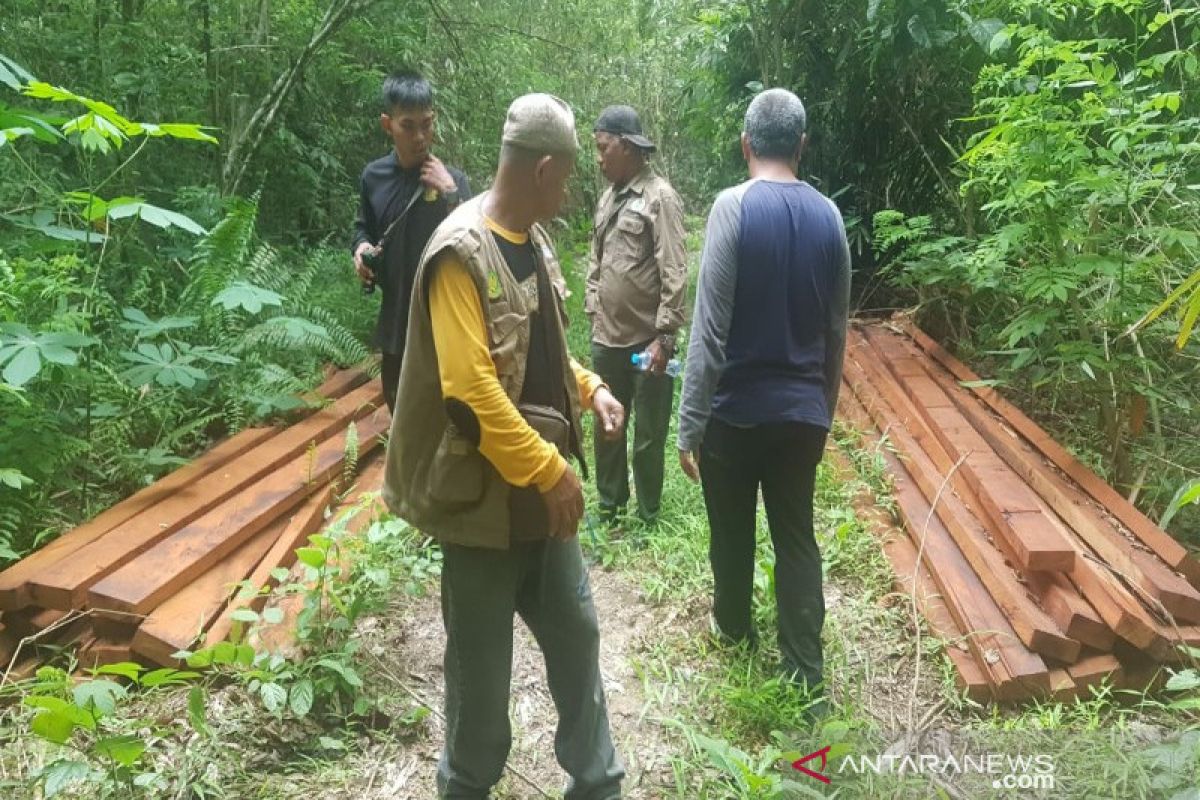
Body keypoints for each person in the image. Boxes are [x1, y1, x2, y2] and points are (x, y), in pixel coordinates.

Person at [382, 93, 627, 800]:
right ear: (544, 170)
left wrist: (589, 388)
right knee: (481, 688)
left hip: (539, 509)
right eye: (570, 175)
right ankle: (465, 788)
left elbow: (536, 347)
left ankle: (598, 783)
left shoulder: (535, 241)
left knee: (577, 637)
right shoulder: (461, 254)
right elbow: (470, 393)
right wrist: (553, 472)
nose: (575, 188)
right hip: (484, 510)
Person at [676, 89, 851, 709]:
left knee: (732, 531)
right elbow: (836, 332)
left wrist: (688, 423)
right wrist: (821, 412)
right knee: (796, 537)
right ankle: (805, 669)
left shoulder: (733, 207)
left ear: (745, 144)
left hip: (735, 415)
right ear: (801, 145)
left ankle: (733, 629)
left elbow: (710, 328)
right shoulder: (831, 217)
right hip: (801, 413)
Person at [585, 105, 687, 526]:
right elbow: (596, 262)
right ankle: (610, 506)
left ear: (625, 146)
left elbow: (675, 271)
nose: (599, 157)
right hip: (608, 338)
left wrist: (665, 339)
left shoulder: (659, 197)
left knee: (647, 434)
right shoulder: (609, 198)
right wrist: (594, 311)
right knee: (608, 427)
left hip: (647, 342)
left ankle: (648, 514)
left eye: (604, 148)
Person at [351, 70, 471, 413]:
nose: (421, 136)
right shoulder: (373, 177)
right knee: (400, 420)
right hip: (396, 329)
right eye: (408, 125)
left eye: (427, 124)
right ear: (387, 125)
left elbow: (477, 246)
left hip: (444, 332)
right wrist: (360, 250)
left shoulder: (454, 183)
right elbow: (363, 229)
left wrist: (450, 193)